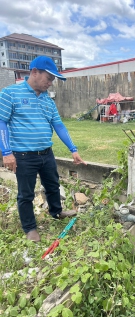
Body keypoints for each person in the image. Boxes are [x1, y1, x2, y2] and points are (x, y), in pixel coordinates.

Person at [0, 56, 86, 242]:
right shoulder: (10, 94)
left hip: (46, 153)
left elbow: (59, 125)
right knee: (26, 194)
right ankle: (30, 228)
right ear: (34, 72)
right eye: (49, 78)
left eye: (53, 80)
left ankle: (56, 211)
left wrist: (73, 149)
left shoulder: (48, 101)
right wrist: (6, 152)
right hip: (23, 156)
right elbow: (1, 122)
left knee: (53, 185)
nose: (51, 83)